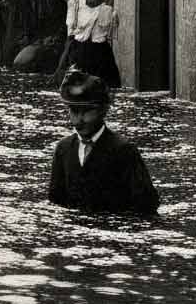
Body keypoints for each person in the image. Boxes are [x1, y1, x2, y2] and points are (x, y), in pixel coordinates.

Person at [49, 70, 159, 214]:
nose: (79, 120)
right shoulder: (63, 149)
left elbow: (147, 205)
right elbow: (56, 201)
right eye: (74, 111)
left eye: (87, 112)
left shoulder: (123, 150)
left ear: (103, 111)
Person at [53, 0, 121, 87]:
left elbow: (110, 38)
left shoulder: (108, 9)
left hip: (100, 53)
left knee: (102, 88)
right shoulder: (76, 1)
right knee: (71, 87)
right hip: (76, 49)